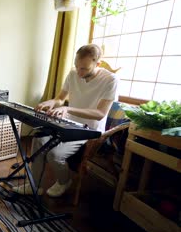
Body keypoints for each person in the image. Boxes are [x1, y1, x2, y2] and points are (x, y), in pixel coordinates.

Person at [13, 44, 118, 197]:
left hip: (88, 130)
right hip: (67, 123)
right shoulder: (73, 74)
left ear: (98, 64)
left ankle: (64, 182)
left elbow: (100, 113)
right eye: (77, 66)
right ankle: (34, 185)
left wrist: (68, 109)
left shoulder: (110, 80)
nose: (79, 73)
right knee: (38, 141)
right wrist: (49, 102)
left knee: (54, 155)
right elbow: (60, 99)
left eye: (85, 69)